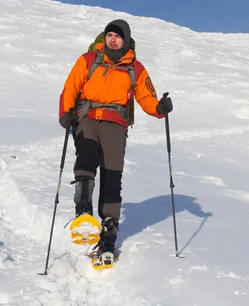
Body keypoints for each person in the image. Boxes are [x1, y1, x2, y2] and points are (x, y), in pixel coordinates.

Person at [58, 19, 173, 263]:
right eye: (109, 34)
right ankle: (84, 214)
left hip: (116, 123)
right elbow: (71, 87)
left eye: (117, 36)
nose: (112, 39)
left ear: (126, 40)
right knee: (87, 156)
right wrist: (66, 112)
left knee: (113, 176)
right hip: (87, 117)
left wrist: (159, 108)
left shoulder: (135, 68)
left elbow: (146, 96)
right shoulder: (89, 60)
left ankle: (108, 235)